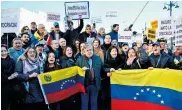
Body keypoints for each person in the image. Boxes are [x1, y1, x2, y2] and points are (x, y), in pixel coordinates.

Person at [76, 44, 103, 110]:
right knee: (84, 104)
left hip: (95, 85)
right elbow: (76, 72)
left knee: (94, 104)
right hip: (84, 85)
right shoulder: (79, 60)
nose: (89, 51)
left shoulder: (97, 58)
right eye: (87, 50)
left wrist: (109, 70)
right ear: (84, 51)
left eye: (90, 50)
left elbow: (103, 69)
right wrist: (81, 70)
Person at [1, 44, 18, 110]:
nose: (3, 53)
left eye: (5, 51)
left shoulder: (12, 60)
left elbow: (15, 71)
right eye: (1, 51)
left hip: (11, 85)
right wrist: (7, 78)